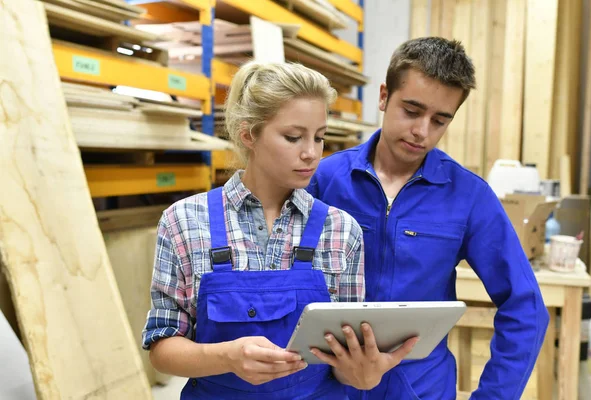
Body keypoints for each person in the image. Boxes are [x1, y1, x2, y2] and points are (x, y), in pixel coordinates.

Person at [142, 61, 419, 399]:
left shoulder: (341, 230)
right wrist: (226, 357)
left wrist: (364, 374)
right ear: (248, 134)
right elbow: (162, 348)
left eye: (319, 138)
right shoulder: (184, 222)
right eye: (293, 137)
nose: (311, 153)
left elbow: (346, 364)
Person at [307, 37, 550, 399]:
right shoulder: (324, 180)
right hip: (326, 385)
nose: (422, 130)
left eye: (440, 120)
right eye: (411, 110)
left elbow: (525, 306)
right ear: (384, 96)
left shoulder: (469, 196)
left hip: (419, 388)